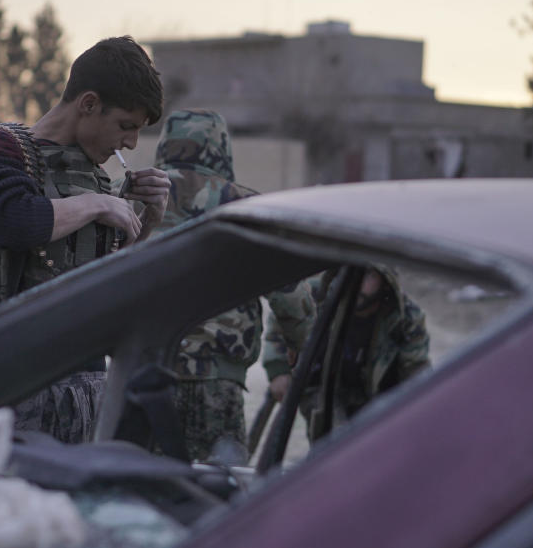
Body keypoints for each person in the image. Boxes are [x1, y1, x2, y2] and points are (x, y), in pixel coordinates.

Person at [0, 36, 170, 444]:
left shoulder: (94, 175)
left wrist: (149, 219)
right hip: (13, 385)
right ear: (88, 104)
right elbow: (13, 221)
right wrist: (98, 205)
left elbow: (110, 285)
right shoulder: (0, 147)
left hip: (83, 389)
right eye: (126, 126)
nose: (130, 144)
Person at [150, 109, 316, 462]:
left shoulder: (136, 196)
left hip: (145, 375)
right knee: (218, 492)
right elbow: (289, 294)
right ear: (221, 148)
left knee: (140, 490)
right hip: (218, 382)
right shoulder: (246, 208)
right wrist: (303, 347)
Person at [263, 264, 431, 441]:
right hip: (321, 388)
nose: (357, 281)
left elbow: (416, 369)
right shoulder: (316, 294)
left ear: (385, 281)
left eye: (369, 275)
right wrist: (278, 369)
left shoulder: (405, 317)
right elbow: (283, 324)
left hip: (376, 397)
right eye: (353, 270)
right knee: (337, 440)